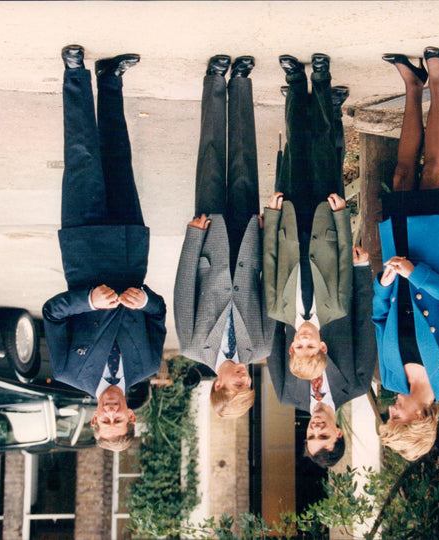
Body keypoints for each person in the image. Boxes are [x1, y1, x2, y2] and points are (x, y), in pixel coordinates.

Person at [43, 45, 166, 452]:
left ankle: (74, 73)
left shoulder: (67, 371)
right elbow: (158, 313)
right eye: (119, 419)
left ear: (94, 418)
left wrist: (89, 301)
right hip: (129, 249)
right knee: (117, 159)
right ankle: (110, 79)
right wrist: (144, 300)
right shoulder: (146, 364)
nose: (112, 413)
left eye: (105, 421)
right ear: (132, 415)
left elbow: (53, 313)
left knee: (81, 157)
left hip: (84, 249)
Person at [373, 48, 439, 461]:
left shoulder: (390, 376)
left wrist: (384, 284)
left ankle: (412, 87)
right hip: (433, 258)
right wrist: (418, 275)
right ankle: (436, 82)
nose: (391, 409)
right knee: (431, 172)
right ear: (418, 419)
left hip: (397, 261)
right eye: (396, 417)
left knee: (399, 175)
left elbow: (380, 316)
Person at [174, 54, 274, 419]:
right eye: (248, 385)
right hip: (247, 238)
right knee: (245, 160)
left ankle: (216, 80)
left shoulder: (192, 345)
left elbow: (185, 288)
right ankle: (242, 82)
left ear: (218, 384)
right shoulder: (261, 345)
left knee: (212, 160)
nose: (245, 379)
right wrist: (264, 239)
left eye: (237, 385)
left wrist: (193, 238)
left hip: (211, 241)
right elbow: (269, 288)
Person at [263, 53, 353, 382]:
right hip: (326, 216)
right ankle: (321, 78)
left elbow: (270, 258)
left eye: (299, 348)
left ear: (291, 348)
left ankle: (296, 81)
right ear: (323, 346)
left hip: (289, 219)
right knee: (323, 147)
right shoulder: (337, 307)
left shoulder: (276, 308)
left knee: (296, 147)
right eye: (311, 348)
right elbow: (344, 259)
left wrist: (272, 216)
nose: (304, 342)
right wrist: (342, 216)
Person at [268, 245, 376, 468]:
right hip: (333, 275)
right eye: (323, 436)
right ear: (338, 433)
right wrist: (361, 269)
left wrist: (272, 272)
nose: (316, 429)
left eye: (311, 437)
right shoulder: (358, 384)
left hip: (291, 279)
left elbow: (272, 332)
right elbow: (365, 321)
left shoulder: (286, 394)